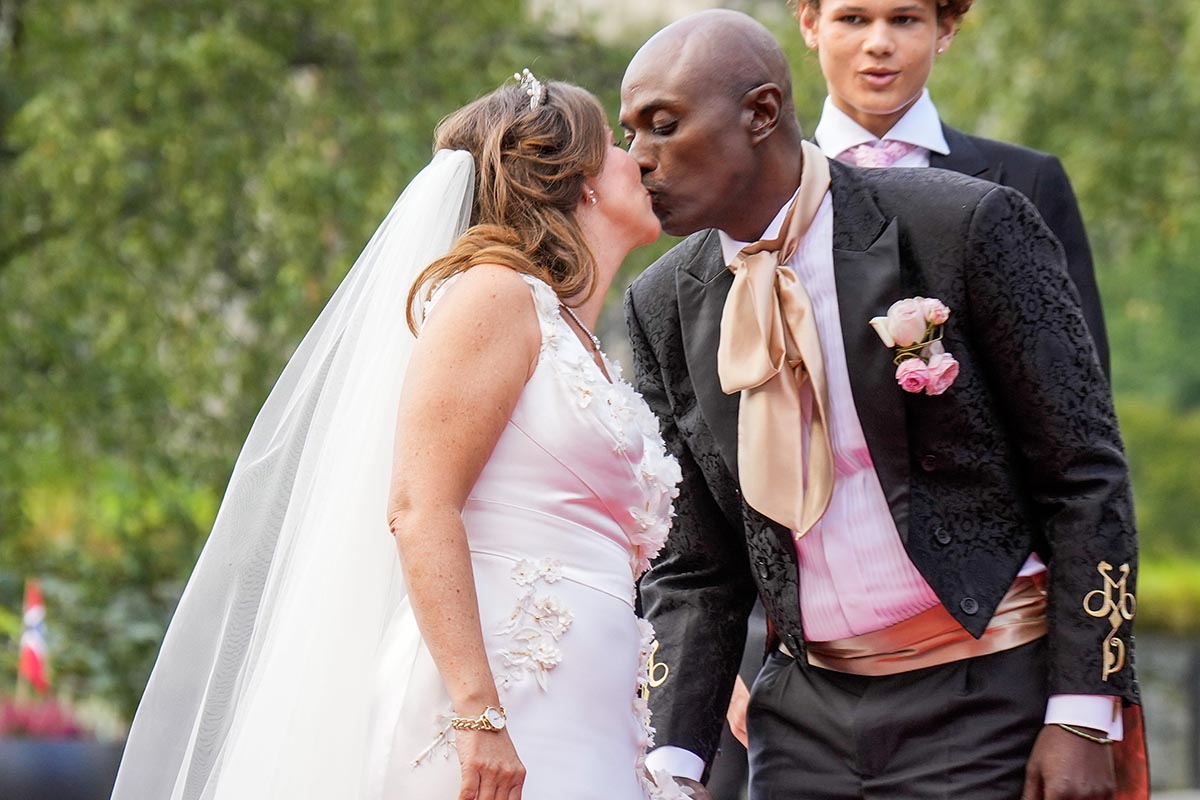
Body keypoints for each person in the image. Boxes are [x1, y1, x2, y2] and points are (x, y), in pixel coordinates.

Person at [111, 73, 690, 800]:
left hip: (589, 714)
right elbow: (420, 506)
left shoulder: (577, 337)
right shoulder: (494, 296)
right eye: (615, 142)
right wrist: (478, 712)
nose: (640, 157)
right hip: (497, 704)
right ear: (578, 180)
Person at [620, 10, 1144, 799]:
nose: (638, 160)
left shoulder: (961, 224)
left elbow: (1083, 474)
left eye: (663, 127)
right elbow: (694, 562)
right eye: (631, 133)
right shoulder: (663, 301)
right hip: (800, 719)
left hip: (986, 693)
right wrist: (671, 762)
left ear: (761, 113)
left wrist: (1081, 712)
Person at [797, 0, 1110, 377]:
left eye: (904, 19)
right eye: (852, 19)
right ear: (810, 23)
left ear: (944, 28)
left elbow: (1079, 380)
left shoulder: (1027, 181)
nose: (879, 43)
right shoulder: (769, 194)